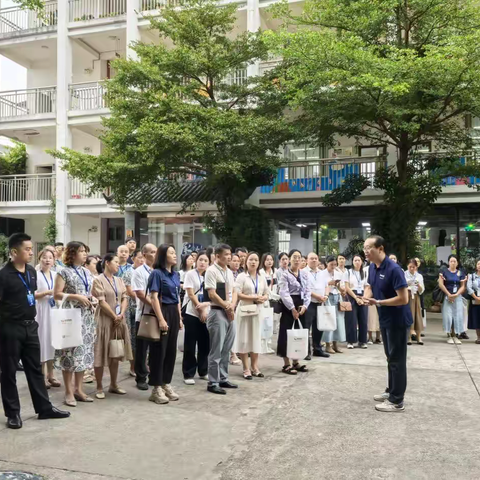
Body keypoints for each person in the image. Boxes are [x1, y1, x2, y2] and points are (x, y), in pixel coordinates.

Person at [0, 233, 70, 429]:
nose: (31, 252)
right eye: (27, 249)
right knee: (8, 372)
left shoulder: (31, 271)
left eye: (32, 248)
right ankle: (13, 413)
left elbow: (31, 294)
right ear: (14, 252)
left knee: (35, 370)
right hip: (10, 328)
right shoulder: (3, 276)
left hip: (31, 326)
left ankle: (44, 408)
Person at [363, 235, 412, 413]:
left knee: (397, 359)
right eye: (364, 248)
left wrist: (379, 302)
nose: (366, 251)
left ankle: (397, 400)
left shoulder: (394, 269)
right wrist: (365, 297)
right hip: (385, 319)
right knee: (390, 357)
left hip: (398, 320)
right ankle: (391, 391)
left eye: (369, 248)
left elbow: (404, 298)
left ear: (380, 249)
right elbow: (369, 286)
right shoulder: (372, 267)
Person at [53, 241, 97, 407]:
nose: (85, 254)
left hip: (86, 317)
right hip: (71, 317)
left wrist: (90, 299)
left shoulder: (86, 272)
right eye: (81, 251)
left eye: (85, 251)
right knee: (69, 354)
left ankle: (79, 389)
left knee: (83, 354)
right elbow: (56, 294)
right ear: (72, 253)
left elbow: (88, 292)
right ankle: (68, 391)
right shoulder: (63, 272)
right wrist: (76, 297)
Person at [92, 254, 132, 399]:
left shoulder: (119, 280)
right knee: (100, 352)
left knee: (116, 352)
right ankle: (99, 387)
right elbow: (101, 302)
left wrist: (121, 314)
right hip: (104, 320)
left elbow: (125, 297)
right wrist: (114, 316)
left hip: (119, 320)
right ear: (107, 263)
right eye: (116, 262)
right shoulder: (98, 280)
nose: (118, 265)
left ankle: (114, 384)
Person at [148, 244, 182, 404]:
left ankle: (165, 383)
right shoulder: (156, 273)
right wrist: (161, 319)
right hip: (162, 311)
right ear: (163, 255)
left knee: (170, 351)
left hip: (174, 313)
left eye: (175, 253)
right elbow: (154, 297)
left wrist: (180, 318)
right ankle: (156, 388)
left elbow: (177, 298)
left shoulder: (175, 275)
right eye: (171, 253)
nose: (175, 255)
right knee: (159, 351)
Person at [205, 244, 238, 394]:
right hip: (218, 312)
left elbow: (234, 291)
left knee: (227, 347)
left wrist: (232, 305)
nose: (229, 257)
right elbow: (212, 294)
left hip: (229, 311)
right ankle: (212, 381)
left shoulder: (229, 272)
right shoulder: (211, 271)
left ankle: (223, 378)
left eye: (230, 254)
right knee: (216, 349)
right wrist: (226, 306)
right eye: (226, 254)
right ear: (217, 256)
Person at [234, 252, 269, 379]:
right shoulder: (241, 277)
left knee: (256, 338)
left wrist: (263, 298)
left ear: (259, 262)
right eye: (251, 260)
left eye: (255, 260)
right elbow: (237, 293)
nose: (253, 262)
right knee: (244, 339)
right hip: (244, 310)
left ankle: (255, 367)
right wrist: (253, 297)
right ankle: (246, 368)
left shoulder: (262, 277)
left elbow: (267, 293)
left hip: (258, 311)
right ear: (246, 262)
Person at [278, 249, 311, 375]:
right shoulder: (285, 274)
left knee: (298, 333)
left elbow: (308, 290)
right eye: (294, 257)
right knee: (287, 333)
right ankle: (286, 364)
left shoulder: (304, 274)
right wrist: (292, 308)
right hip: (289, 306)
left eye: (299, 257)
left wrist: (305, 306)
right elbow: (284, 293)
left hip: (301, 305)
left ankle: (296, 361)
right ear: (289, 259)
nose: (297, 260)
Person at [182, 250, 211, 385]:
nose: (203, 263)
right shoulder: (190, 274)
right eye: (200, 260)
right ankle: (188, 373)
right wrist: (200, 308)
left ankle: (203, 370)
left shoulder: (210, 276)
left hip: (207, 313)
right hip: (192, 313)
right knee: (190, 344)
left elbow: (213, 295)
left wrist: (205, 309)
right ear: (196, 261)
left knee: (205, 344)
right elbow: (190, 293)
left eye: (205, 261)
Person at [131, 243, 157, 390]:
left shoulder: (159, 270)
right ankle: (140, 377)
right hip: (144, 315)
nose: (154, 254)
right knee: (142, 348)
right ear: (145, 254)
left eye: (156, 252)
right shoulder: (139, 272)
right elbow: (140, 293)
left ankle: (154, 374)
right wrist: (154, 305)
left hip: (158, 315)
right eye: (152, 252)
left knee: (156, 347)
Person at [34, 248, 61, 389]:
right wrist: (47, 292)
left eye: (50, 257)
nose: (47, 260)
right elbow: (32, 295)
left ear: (54, 260)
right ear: (40, 259)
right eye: (44, 257)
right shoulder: (35, 275)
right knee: (41, 341)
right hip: (41, 311)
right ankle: (42, 376)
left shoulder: (56, 275)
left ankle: (52, 375)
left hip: (53, 311)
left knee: (52, 342)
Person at [123, 249, 144, 377]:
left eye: (143, 257)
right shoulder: (128, 272)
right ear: (133, 258)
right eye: (140, 257)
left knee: (142, 338)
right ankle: (133, 366)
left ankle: (141, 364)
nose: (142, 260)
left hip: (143, 308)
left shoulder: (147, 271)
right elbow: (130, 291)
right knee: (133, 339)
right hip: (132, 308)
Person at [304, 252, 330, 358]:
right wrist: (317, 296)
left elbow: (327, 285)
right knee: (307, 327)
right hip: (309, 302)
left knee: (319, 327)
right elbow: (305, 288)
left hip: (321, 302)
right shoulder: (303, 272)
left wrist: (326, 296)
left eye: (315, 258)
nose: (314, 260)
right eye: (311, 258)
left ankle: (317, 349)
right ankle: (306, 351)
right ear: (307, 260)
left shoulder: (322, 273)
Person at [438, 255, 466, 344]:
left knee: (457, 316)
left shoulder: (461, 273)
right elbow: (441, 284)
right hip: (447, 296)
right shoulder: (444, 272)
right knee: (448, 316)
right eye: (451, 261)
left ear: (457, 263)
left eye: (454, 261)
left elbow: (463, 286)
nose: (453, 263)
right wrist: (449, 294)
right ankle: (449, 334)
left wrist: (456, 294)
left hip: (457, 297)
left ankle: (456, 335)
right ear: (448, 262)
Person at [322, 256, 347, 354]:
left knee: (338, 321)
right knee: (329, 321)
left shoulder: (338, 273)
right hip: (328, 297)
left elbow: (342, 288)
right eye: (331, 264)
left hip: (337, 297)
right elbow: (321, 285)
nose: (333, 266)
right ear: (326, 263)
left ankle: (335, 344)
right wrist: (329, 283)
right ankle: (328, 345)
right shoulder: (322, 273)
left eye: (334, 264)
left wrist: (340, 287)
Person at [345, 254, 369, 349]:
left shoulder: (364, 273)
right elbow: (347, 287)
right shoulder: (349, 272)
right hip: (352, 295)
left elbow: (367, 286)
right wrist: (356, 298)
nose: (357, 262)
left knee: (363, 319)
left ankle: (363, 341)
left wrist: (363, 298)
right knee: (351, 319)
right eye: (355, 260)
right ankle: (350, 341)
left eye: (359, 260)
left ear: (362, 262)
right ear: (352, 262)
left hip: (363, 295)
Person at [259, 252, 277, 354]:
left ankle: (268, 345)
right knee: (264, 323)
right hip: (265, 301)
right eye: (267, 260)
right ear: (263, 261)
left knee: (270, 324)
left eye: (271, 259)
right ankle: (262, 346)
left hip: (273, 301)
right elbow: (265, 289)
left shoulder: (275, 272)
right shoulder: (261, 272)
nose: (269, 261)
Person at [405, 259, 425, 345]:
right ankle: (408, 337)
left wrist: (418, 285)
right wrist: (408, 284)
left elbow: (422, 290)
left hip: (416, 296)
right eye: (410, 267)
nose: (412, 269)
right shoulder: (404, 274)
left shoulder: (419, 276)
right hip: (407, 296)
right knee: (409, 315)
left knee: (417, 315)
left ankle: (418, 337)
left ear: (416, 267)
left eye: (413, 267)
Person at [467, 259, 480, 344]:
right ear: (476, 266)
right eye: (478, 264)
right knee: (477, 319)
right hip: (476, 300)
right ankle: (479, 337)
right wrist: (476, 297)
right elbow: (469, 287)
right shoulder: (471, 276)